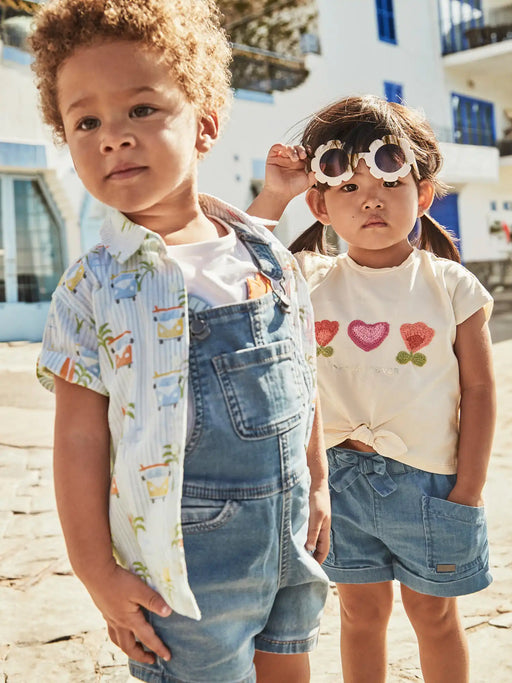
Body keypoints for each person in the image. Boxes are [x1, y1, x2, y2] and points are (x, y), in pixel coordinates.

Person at [30, 2, 330, 682]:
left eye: (140, 110)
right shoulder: (92, 288)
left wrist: (318, 484)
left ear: (205, 125)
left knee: (290, 665)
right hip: (183, 568)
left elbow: (304, 373)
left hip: (289, 541)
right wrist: (96, 571)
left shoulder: (266, 254)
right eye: (86, 121)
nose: (112, 137)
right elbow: (79, 441)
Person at [248, 95, 496, 683]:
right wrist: (274, 197)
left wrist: (469, 487)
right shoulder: (307, 275)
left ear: (424, 193)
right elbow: (235, 270)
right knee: (359, 613)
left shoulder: (451, 285)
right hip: (337, 483)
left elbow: (481, 390)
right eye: (347, 186)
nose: (370, 198)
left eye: (387, 179)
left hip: (431, 482)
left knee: (434, 616)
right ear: (321, 203)